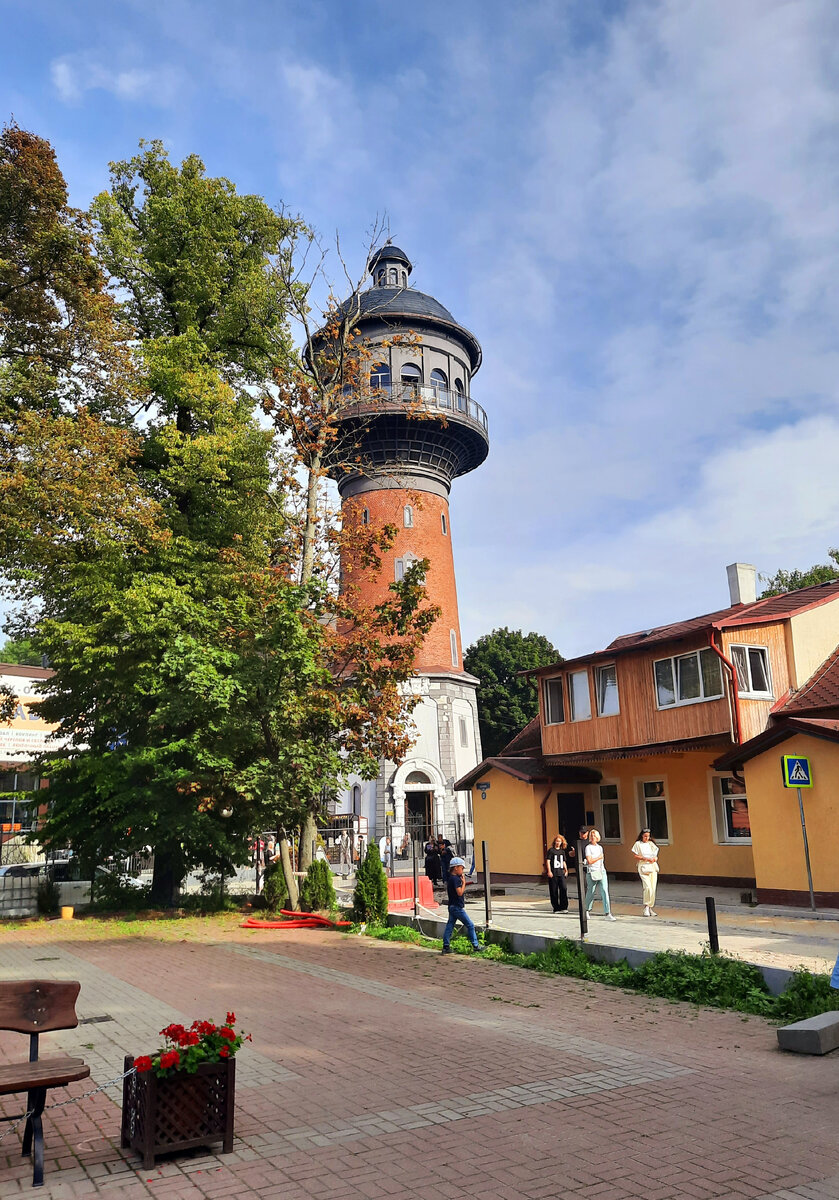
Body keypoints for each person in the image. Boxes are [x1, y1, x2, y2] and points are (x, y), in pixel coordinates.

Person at [441, 856, 480, 953]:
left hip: (451, 906)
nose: (462, 871)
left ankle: (446, 946)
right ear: (456, 868)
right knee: (470, 925)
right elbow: (459, 893)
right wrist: (464, 883)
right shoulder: (456, 880)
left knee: (450, 925)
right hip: (457, 907)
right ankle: (475, 945)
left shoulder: (451, 879)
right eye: (462, 868)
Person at [584, 829, 616, 920]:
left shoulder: (600, 847)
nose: (593, 837)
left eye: (594, 835)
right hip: (592, 872)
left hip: (601, 871)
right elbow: (590, 861)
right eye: (591, 836)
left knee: (605, 891)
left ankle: (607, 912)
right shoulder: (588, 847)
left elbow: (602, 861)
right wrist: (598, 858)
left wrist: (601, 866)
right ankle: (586, 910)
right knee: (591, 891)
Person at [631, 828, 660, 916]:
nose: (647, 838)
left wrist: (654, 859)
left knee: (653, 888)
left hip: (652, 867)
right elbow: (635, 855)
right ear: (642, 836)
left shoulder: (651, 844)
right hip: (643, 866)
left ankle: (650, 907)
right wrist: (645, 858)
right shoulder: (638, 844)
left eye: (648, 836)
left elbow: (656, 856)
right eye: (645, 836)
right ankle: (646, 907)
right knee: (647, 887)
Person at [545, 834, 569, 913]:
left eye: (560, 841)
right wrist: (549, 871)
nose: (558, 843)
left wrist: (566, 870)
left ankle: (564, 907)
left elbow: (563, 861)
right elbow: (548, 861)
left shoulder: (562, 851)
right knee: (554, 890)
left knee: (563, 888)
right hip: (553, 873)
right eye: (557, 841)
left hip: (561, 873)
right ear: (555, 842)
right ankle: (556, 908)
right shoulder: (551, 851)